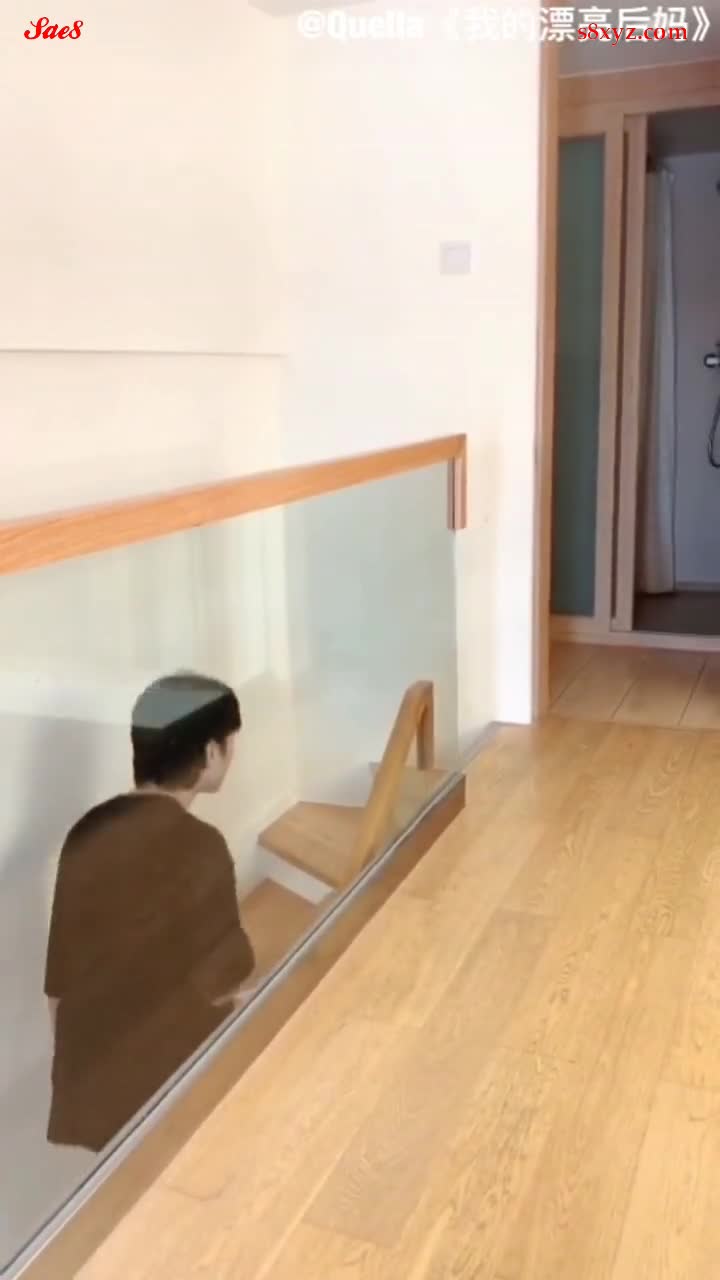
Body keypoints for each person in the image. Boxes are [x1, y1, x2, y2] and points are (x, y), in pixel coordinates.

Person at [44, 672, 255, 1153]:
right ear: (209, 753)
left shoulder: (86, 832)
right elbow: (228, 971)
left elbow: (58, 988)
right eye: (230, 744)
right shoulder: (201, 846)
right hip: (160, 1088)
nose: (231, 755)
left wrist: (78, 1082)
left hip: (89, 1088)